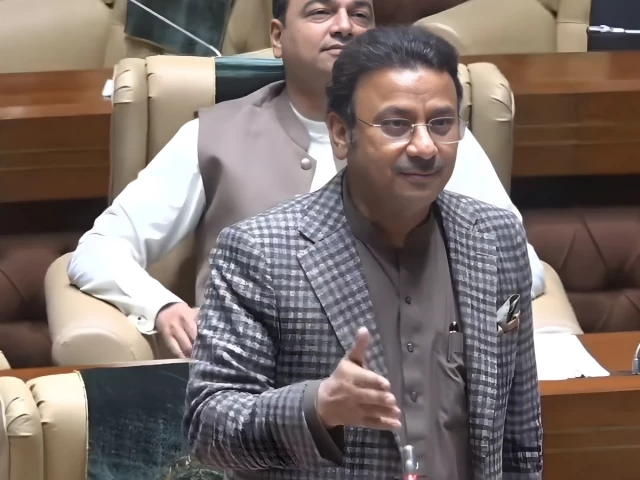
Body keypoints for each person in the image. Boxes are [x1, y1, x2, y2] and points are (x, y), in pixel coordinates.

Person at [67, 0, 546, 359]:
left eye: (359, 14)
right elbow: (99, 249)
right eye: (320, 11)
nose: (344, 26)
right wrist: (161, 307)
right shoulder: (212, 135)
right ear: (277, 37)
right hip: (251, 389)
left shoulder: (432, 136)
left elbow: (520, 265)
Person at [184, 25, 543, 479]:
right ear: (341, 133)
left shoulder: (497, 238)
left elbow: (520, 435)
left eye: (441, 123)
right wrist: (318, 406)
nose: (424, 147)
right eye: (396, 124)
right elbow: (209, 427)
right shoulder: (261, 251)